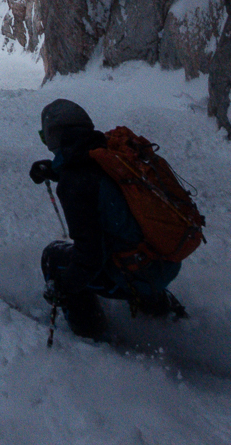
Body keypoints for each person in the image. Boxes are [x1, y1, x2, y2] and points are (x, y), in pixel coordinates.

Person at [30, 98, 185, 341]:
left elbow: (90, 257)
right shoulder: (109, 154)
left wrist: (64, 286)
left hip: (137, 273)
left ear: (55, 136)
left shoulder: (75, 184)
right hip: (163, 258)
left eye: (44, 136)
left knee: (54, 258)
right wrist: (56, 170)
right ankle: (161, 311)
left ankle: (91, 334)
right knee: (127, 244)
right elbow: (93, 179)